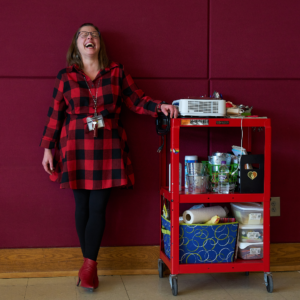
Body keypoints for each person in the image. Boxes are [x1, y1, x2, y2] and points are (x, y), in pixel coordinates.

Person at [40, 23, 178, 292]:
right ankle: (89, 267)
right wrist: (48, 148)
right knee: (81, 206)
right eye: (83, 34)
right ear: (76, 44)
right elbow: (55, 114)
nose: (88, 37)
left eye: (93, 34)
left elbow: (136, 99)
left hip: (107, 145)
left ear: (99, 43)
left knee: (98, 207)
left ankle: (88, 267)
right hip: (75, 146)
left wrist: (158, 106)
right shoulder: (65, 76)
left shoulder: (116, 71)